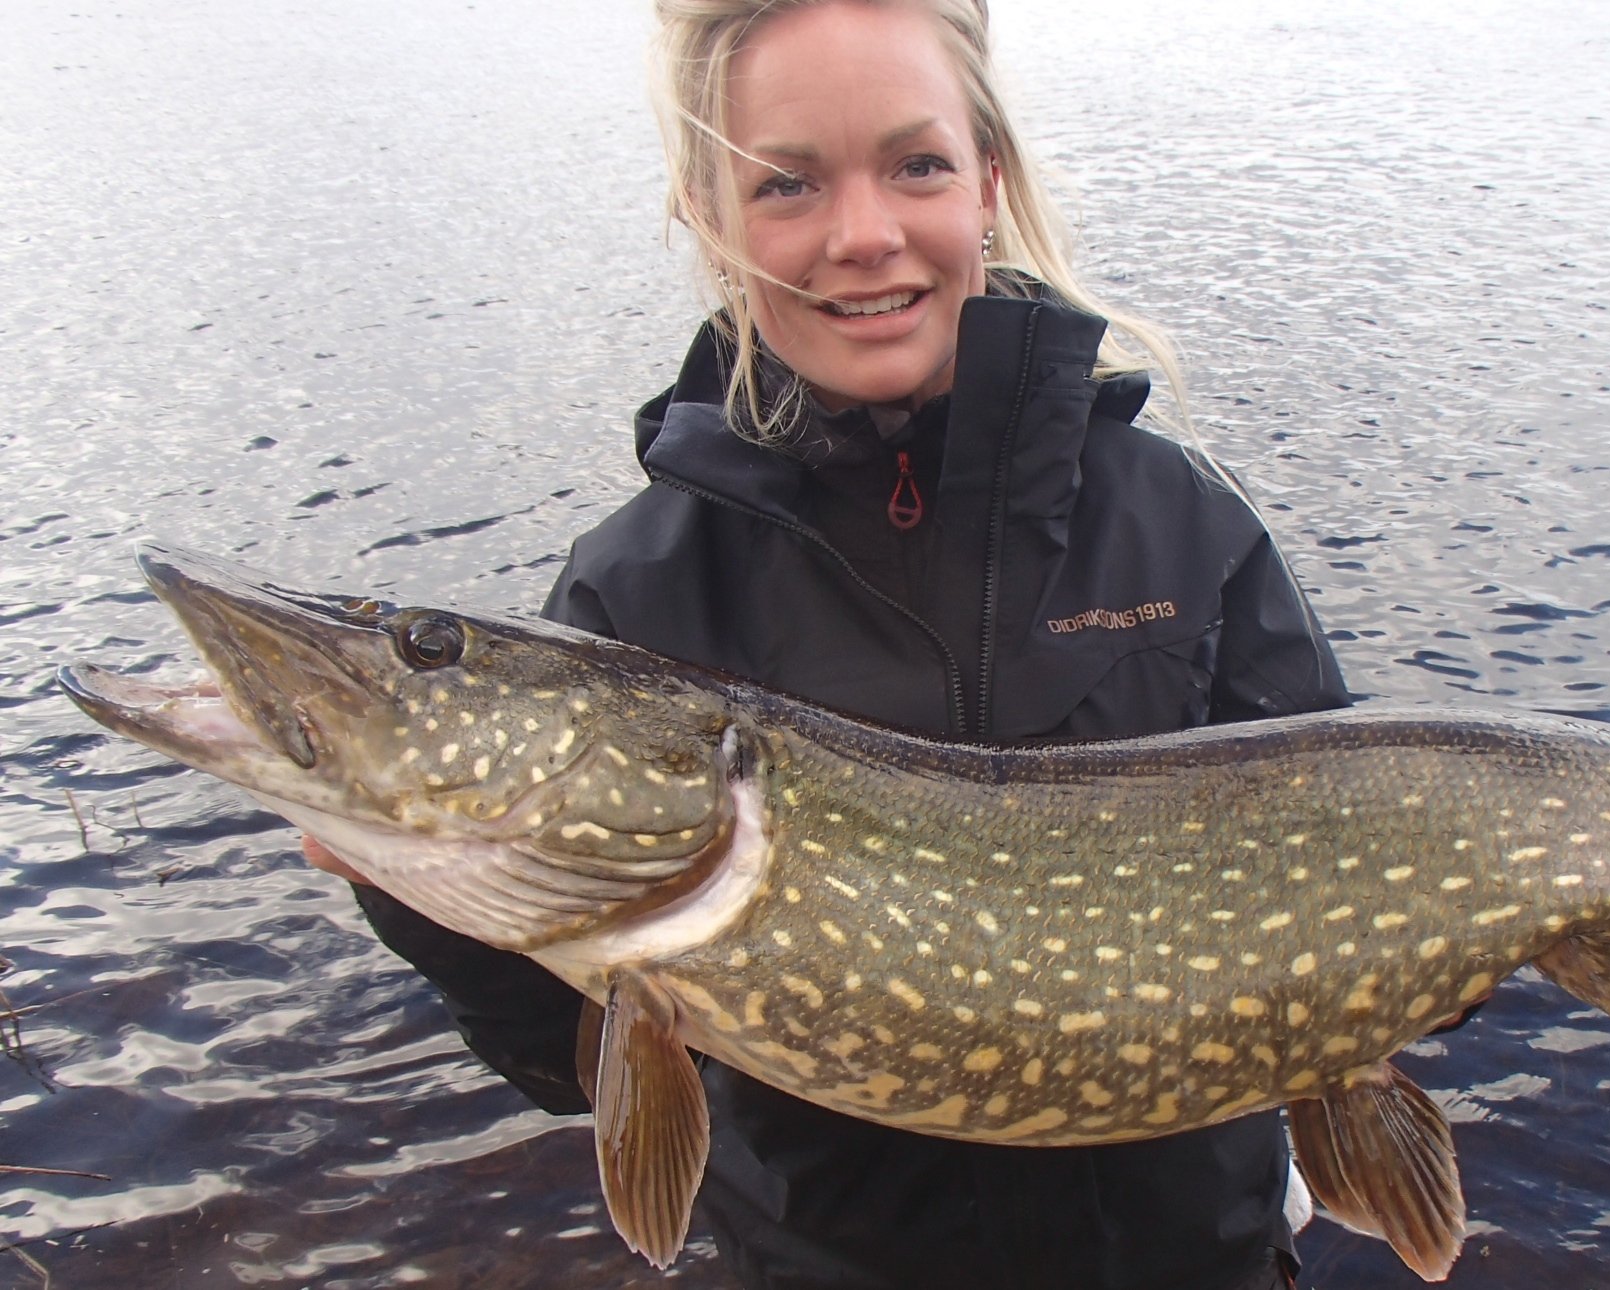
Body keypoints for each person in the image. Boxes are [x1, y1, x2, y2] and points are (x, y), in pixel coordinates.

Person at [312, 1, 1352, 1286]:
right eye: (787, 184)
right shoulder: (639, 593)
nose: (863, 237)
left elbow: (1364, 866)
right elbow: (566, 1068)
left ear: (988, 182)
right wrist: (422, 890)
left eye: (915, 165)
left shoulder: (1178, 522)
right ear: (709, 215)